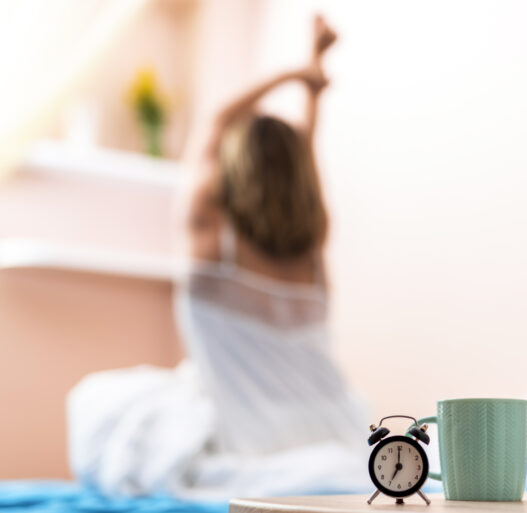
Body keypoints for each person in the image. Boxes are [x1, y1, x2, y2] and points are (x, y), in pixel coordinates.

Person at [68, 16, 368, 498]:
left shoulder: (209, 239)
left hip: (250, 442)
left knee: (98, 403)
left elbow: (215, 121)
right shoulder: (311, 255)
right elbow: (305, 156)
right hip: (332, 429)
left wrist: (297, 73)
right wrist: (315, 79)